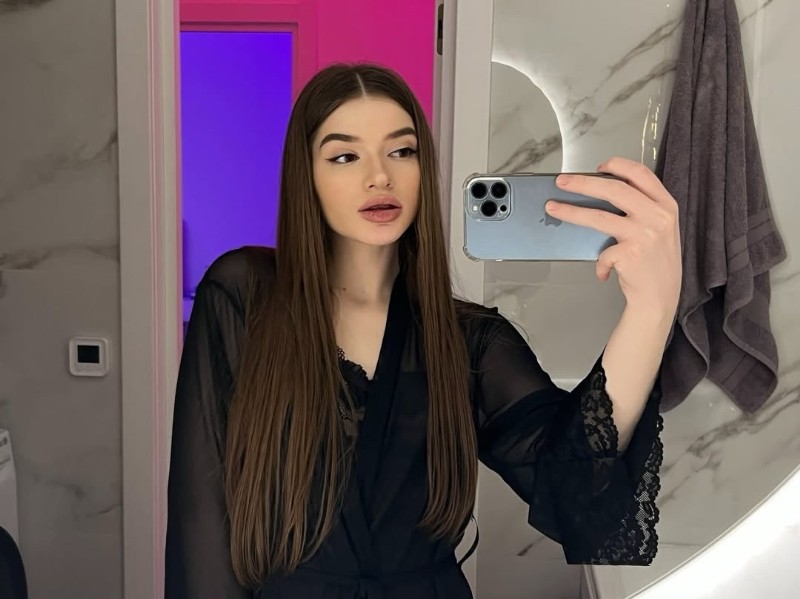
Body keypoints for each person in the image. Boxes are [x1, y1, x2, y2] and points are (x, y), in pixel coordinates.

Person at [165, 63, 681, 599]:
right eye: (345, 156)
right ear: (307, 177)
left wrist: (653, 308)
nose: (379, 176)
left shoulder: (470, 340)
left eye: (401, 150)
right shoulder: (245, 295)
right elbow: (201, 524)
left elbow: (577, 492)